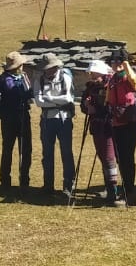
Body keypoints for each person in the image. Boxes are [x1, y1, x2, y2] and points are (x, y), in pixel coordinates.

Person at [80, 60, 124, 207]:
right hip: (96, 127)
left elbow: (112, 107)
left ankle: (113, 192)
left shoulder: (110, 85)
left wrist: (95, 108)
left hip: (108, 127)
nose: (91, 75)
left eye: (93, 73)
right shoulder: (91, 87)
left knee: (109, 158)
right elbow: (83, 105)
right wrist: (86, 106)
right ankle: (109, 188)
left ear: (101, 72)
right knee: (103, 158)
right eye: (91, 73)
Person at [0, 51, 33, 200]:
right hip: (11, 117)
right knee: (9, 149)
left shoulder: (22, 77)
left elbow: (29, 95)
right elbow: (19, 94)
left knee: (25, 150)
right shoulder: (4, 79)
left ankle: (23, 181)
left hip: (22, 116)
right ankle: (6, 181)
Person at [33, 53, 76, 200]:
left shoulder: (66, 77)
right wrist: (58, 102)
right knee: (47, 154)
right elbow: (38, 102)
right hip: (47, 120)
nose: (49, 70)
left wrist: (49, 98)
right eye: (47, 68)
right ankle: (48, 186)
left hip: (64, 120)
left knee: (66, 153)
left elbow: (68, 98)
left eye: (51, 67)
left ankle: (68, 186)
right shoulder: (39, 80)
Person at [106, 49, 136, 206]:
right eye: (113, 61)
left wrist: (125, 63)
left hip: (129, 123)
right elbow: (108, 99)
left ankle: (129, 193)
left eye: (118, 61)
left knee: (127, 158)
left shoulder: (129, 76)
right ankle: (127, 190)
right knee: (121, 158)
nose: (115, 64)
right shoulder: (113, 79)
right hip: (116, 122)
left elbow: (134, 80)